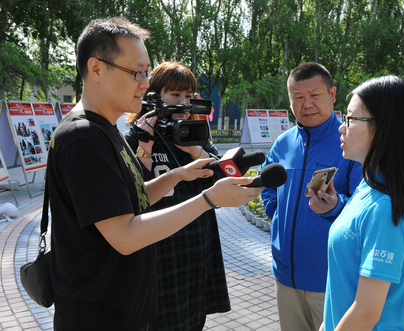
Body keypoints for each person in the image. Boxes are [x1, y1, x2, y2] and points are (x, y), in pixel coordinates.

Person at [46, 17, 262, 331]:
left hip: (124, 309)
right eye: (137, 72)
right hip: (101, 317)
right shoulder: (84, 139)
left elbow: (132, 199)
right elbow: (125, 235)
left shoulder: (104, 129)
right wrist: (208, 199)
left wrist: (177, 176)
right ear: (96, 69)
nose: (145, 84)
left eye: (146, 72)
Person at [124, 62, 229, 331]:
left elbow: (223, 178)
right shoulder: (134, 137)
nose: (184, 103)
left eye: (189, 96)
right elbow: (134, 195)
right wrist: (144, 148)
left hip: (196, 245)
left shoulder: (196, 133)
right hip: (158, 249)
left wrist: (196, 151)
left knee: (194, 317)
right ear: (154, 95)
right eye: (175, 94)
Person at [260, 62, 363, 331]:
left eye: (314, 95)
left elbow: (363, 205)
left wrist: (335, 206)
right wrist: (276, 214)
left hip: (330, 278)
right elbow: (267, 185)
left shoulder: (350, 143)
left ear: (332, 94)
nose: (306, 104)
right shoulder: (282, 143)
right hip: (284, 275)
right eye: (298, 97)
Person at [320, 75, 404, 331]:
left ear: (383, 129)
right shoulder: (367, 187)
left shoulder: (386, 210)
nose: (341, 127)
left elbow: (366, 313)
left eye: (350, 118)